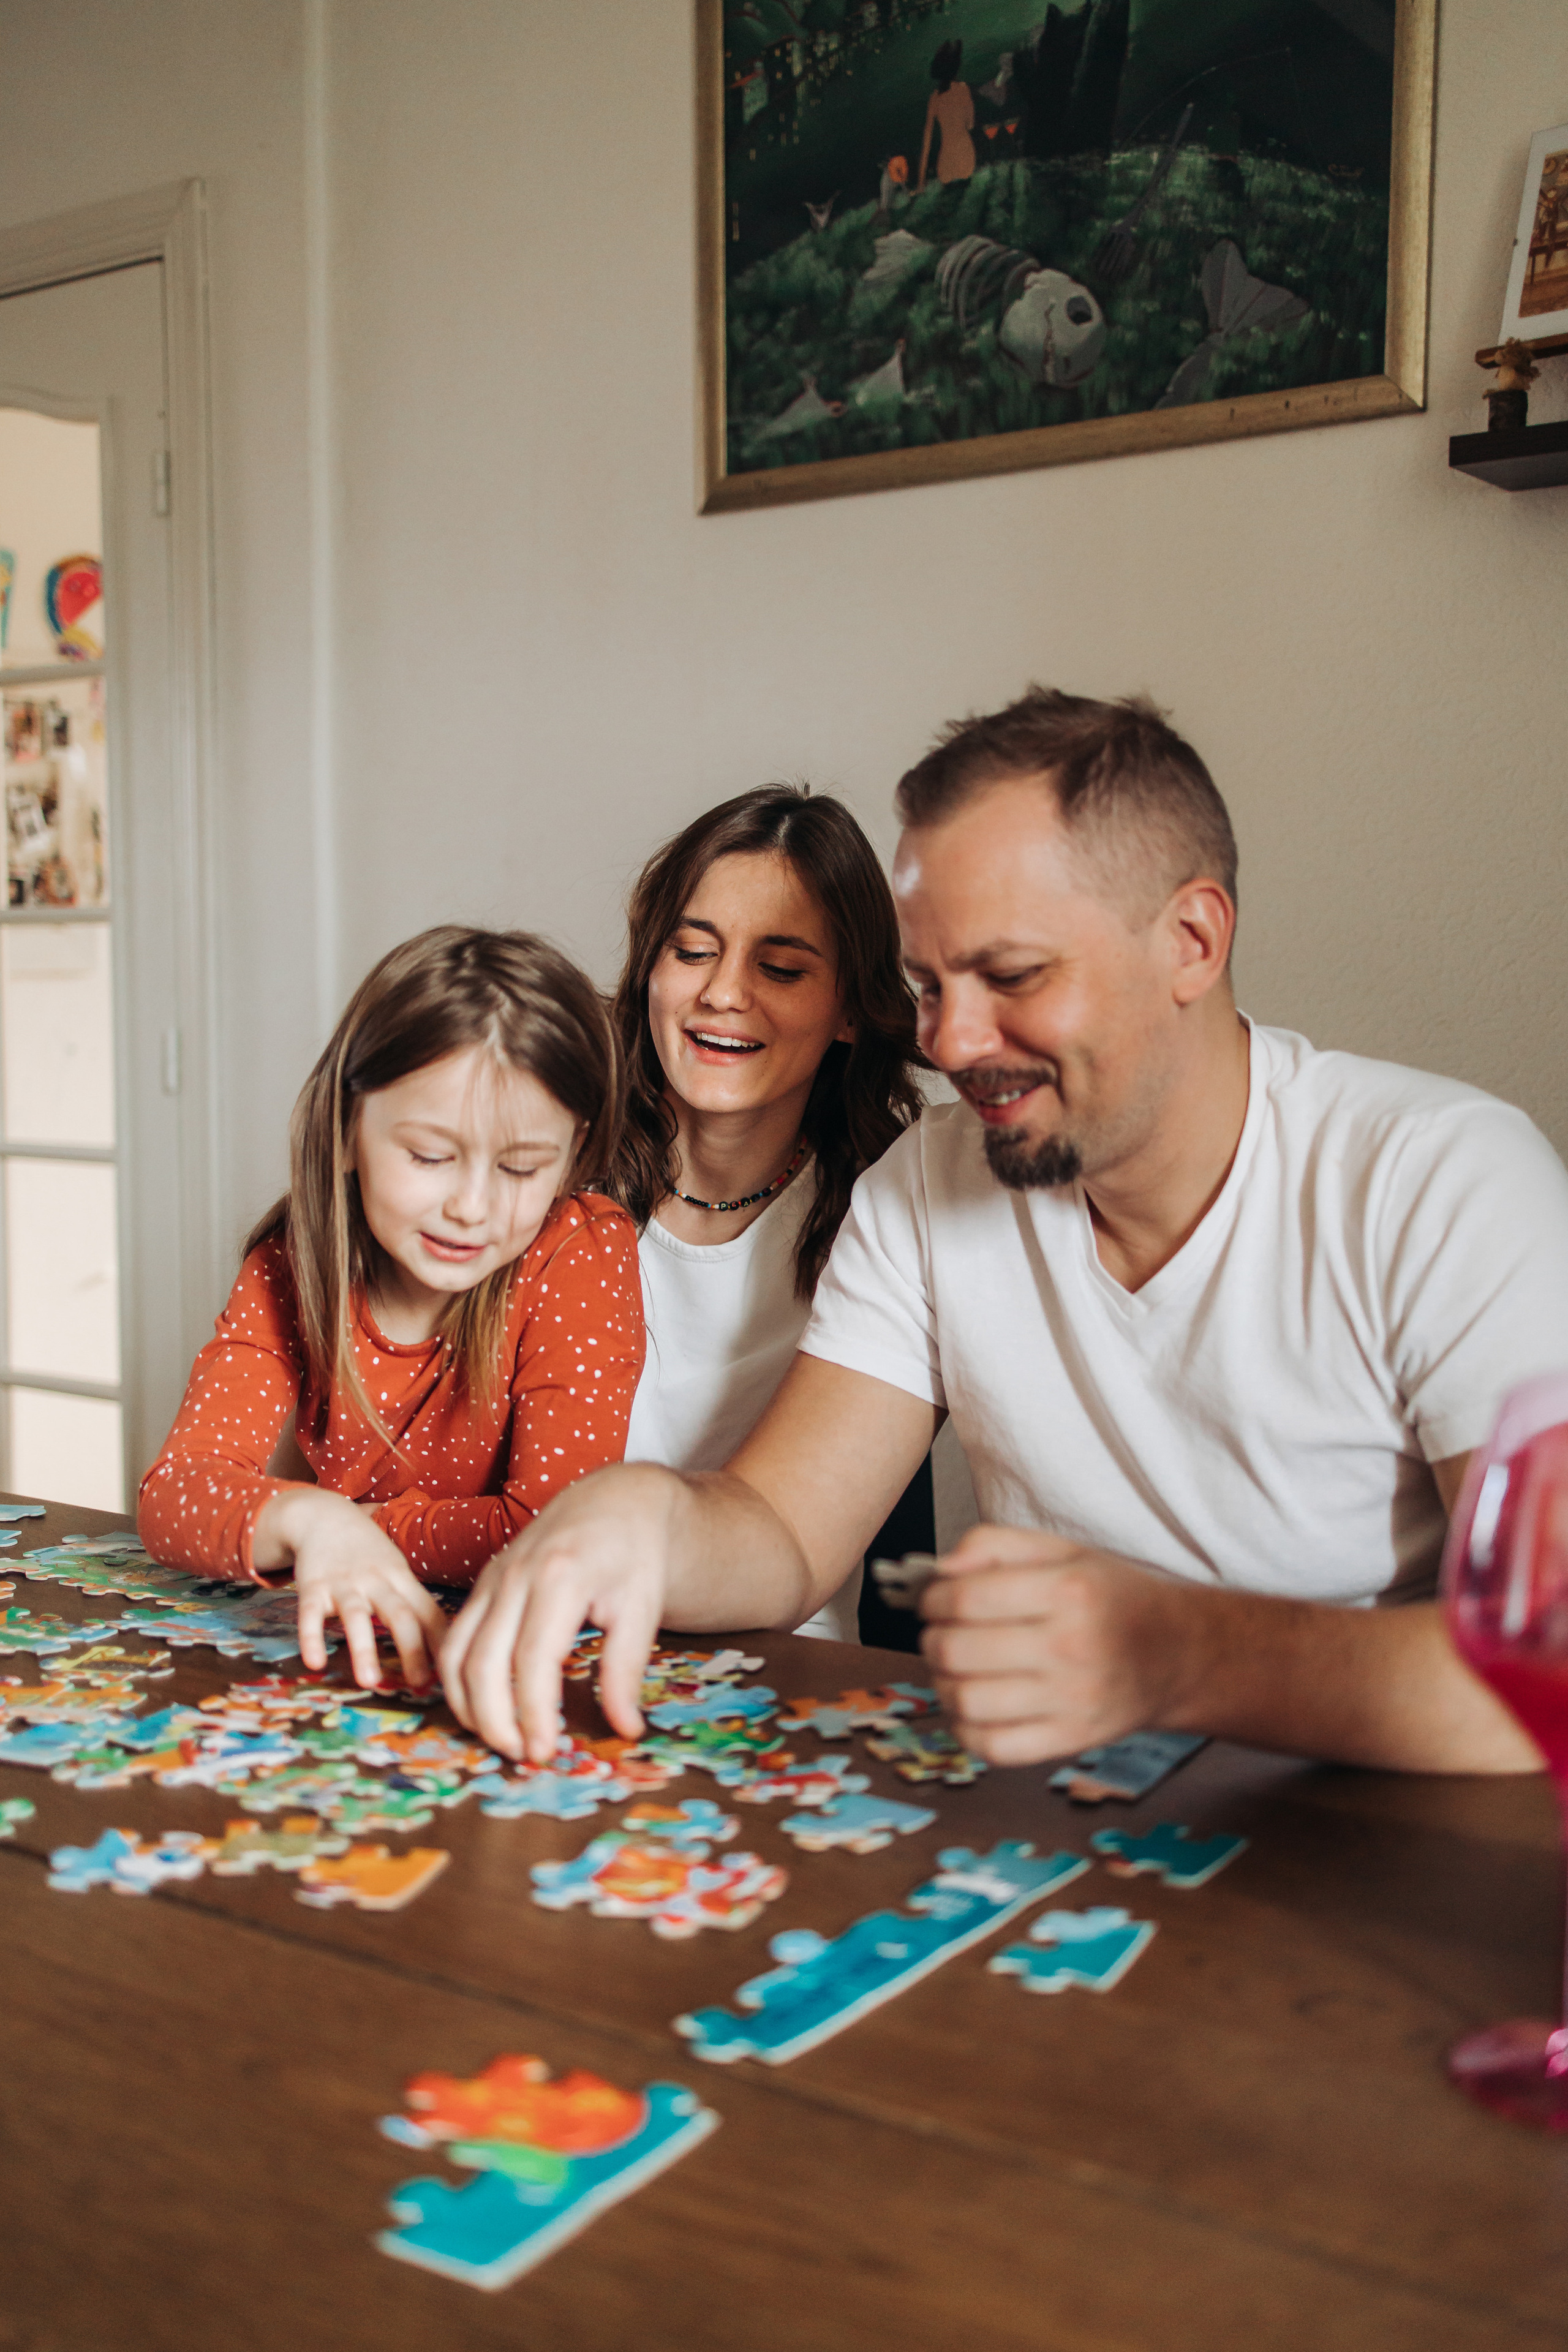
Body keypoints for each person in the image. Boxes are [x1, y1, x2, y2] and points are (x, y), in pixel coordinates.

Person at [439, 690, 1568, 1781]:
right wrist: (639, 1515)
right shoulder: (924, 1185)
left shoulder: (1446, 1182)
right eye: (928, 986)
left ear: (1192, 939)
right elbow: (784, 1530)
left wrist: (1178, 1654)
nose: (954, 1041)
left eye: (1012, 975)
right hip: (1056, 1836)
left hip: (1404, 1855)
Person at [138, 925, 643, 1691]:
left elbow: (553, 1528)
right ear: (348, 1130)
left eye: (519, 1166)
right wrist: (312, 1523)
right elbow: (175, 1492)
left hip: (523, 1667)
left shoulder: (580, 1252)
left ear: (572, 1153)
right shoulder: (291, 1261)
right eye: (431, 1157)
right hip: (346, 1663)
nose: (472, 1207)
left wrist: (362, 1527)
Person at [605, 785, 927, 1638]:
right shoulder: (547, 1179)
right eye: (692, 951)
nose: (722, 993)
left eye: (779, 968)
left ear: (851, 1010)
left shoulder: (892, 1222)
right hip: (554, 1657)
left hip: (784, 1697)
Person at [917, 40, 975, 195]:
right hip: (966, 160)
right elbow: (970, 124)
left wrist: (921, 182)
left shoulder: (934, 99)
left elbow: (927, 143)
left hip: (946, 165)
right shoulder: (964, 89)